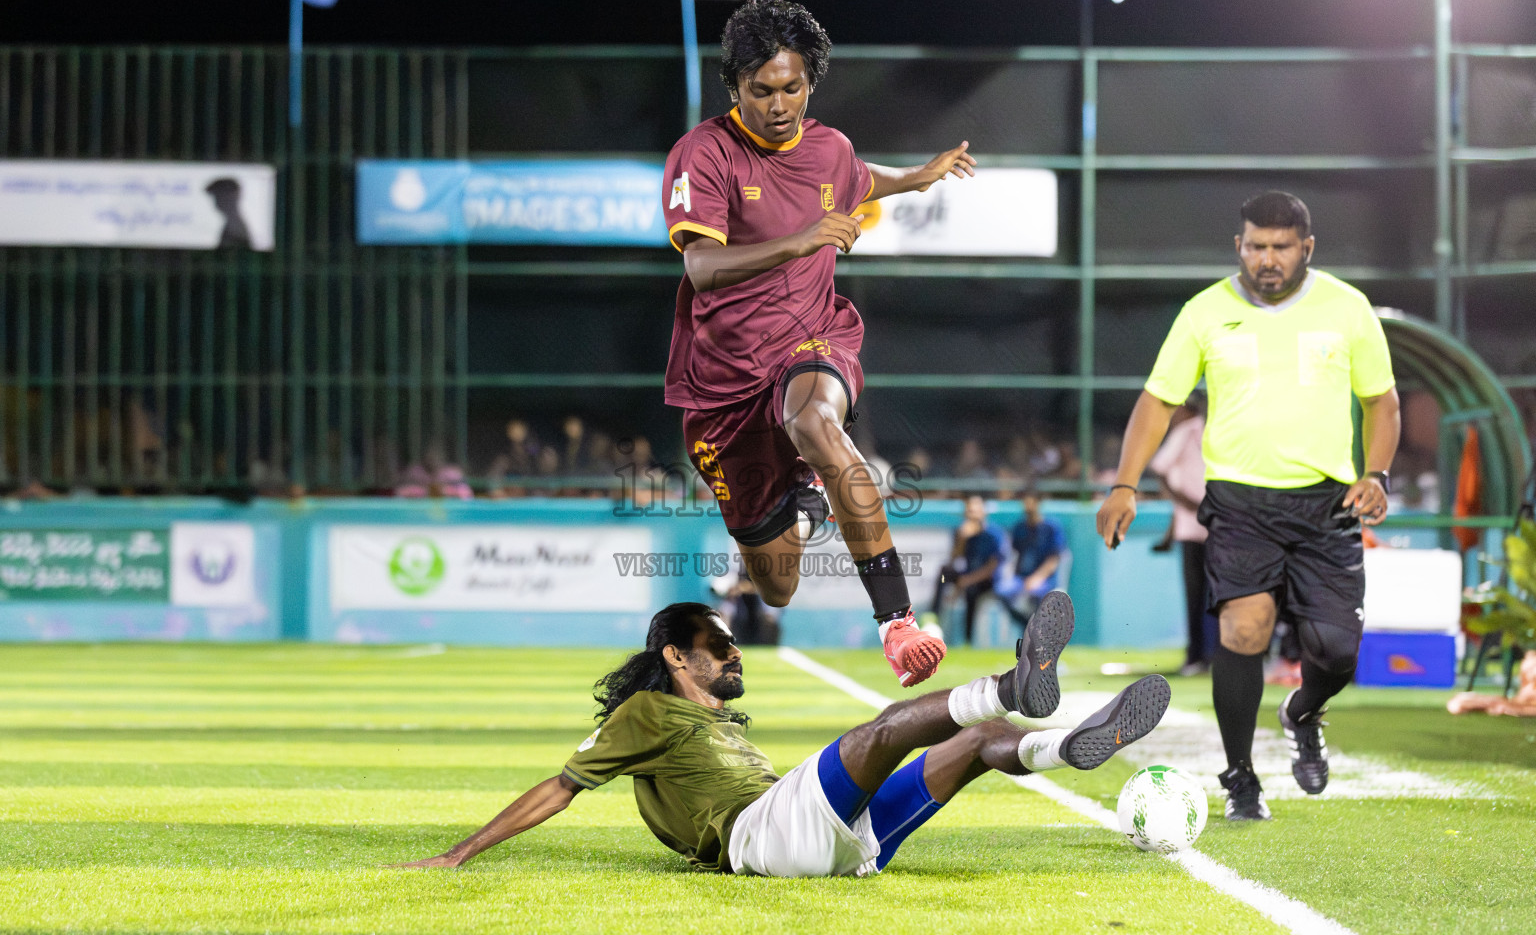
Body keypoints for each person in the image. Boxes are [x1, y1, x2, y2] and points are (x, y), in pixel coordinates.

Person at [392, 593, 1170, 876]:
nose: (736, 654)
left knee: (977, 743)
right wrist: (461, 851)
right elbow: (562, 788)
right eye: (721, 647)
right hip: (760, 839)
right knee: (886, 731)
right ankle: (1012, 686)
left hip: (838, 846)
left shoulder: (711, 717)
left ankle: (1055, 745)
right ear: (677, 657)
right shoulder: (649, 713)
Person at [662, 0, 977, 687]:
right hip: (722, 386)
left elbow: (861, 178)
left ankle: (896, 624)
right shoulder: (704, 154)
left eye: (793, 87)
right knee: (776, 587)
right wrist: (800, 239)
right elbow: (701, 269)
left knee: (813, 419)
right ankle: (804, 504)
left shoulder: (829, 149)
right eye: (761, 90)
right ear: (735, 87)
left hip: (811, 340)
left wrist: (916, 178)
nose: (779, 104)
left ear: (813, 80)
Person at [1095, 191, 1401, 822]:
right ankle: (1242, 781)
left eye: (1281, 247)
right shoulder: (1203, 312)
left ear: (1306, 248)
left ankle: (1303, 711)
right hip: (1239, 503)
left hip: (1327, 503)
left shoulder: (1347, 308)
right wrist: (1124, 484)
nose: (1267, 258)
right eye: (1256, 245)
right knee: (1244, 629)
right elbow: (1156, 403)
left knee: (1337, 649)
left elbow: (1382, 402)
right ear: (1238, 245)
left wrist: (1377, 472)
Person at [1146, 392, 1219, 676]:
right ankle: (1196, 656)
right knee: (1195, 595)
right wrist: (1185, 502)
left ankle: (1218, 656)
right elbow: (1160, 468)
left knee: (1221, 597)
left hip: (1220, 526)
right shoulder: (1187, 432)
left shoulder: (1224, 430)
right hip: (1192, 528)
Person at [927, 495, 1012, 644]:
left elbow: (992, 567)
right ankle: (933, 617)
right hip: (967, 576)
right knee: (944, 573)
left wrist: (966, 581)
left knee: (971, 591)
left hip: (987, 581)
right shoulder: (962, 533)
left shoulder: (994, 534)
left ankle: (968, 639)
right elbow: (954, 560)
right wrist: (962, 539)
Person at [1005, 488, 1067, 611]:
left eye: (1030, 501)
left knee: (1037, 596)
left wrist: (1036, 578)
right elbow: (1012, 555)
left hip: (1045, 580)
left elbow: (1053, 559)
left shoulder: (1051, 528)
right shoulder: (1019, 527)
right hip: (1021, 579)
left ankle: (1038, 629)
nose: (1027, 505)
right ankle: (1027, 626)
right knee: (1003, 592)